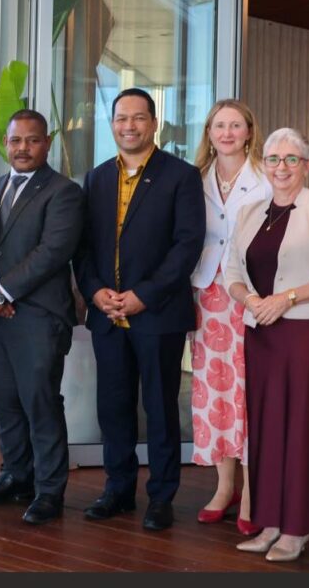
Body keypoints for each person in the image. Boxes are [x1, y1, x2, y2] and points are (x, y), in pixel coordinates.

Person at [225, 127, 309, 562]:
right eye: (273, 159)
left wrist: (287, 299)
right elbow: (232, 272)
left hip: (308, 335)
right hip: (261, 331)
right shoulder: (249, 212)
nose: (281, 167)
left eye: (291, 159)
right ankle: (268, 522)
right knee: (265, 428)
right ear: (263, 163)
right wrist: (252, 301)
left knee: (304, 428)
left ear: (307, 165)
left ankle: (296, 528)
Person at [74, 87, 205, 531]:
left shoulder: (180, 176)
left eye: (137, 118)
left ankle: (161, 497)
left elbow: (187, 246)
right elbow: (84, 247)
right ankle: (118, 490)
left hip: (158, 313)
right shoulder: (96, 178)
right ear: (111, 125)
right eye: (120, 118)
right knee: (113, 405)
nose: (128, 126)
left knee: (161, 408)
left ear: (153, 123)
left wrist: (143, 294)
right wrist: (94, 292)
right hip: (106, 314)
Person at [0, 109, 84, 526]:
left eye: (32, 140)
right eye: (15, 140)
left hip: (39, 315)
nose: (22, 148)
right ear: (6, 142)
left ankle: (49, 490)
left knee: (40, 403)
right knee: (4, 400)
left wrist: (2, 291)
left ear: (47, 143)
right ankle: (15, 475)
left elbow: (53, 252)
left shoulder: (64, 192)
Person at [189, 99, 271, 535]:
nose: (226, 132)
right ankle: (224, 487)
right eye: (219, 125)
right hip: (206, 295)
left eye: (235, 125)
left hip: (251, 296)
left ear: (248, 132)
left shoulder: (264, 178)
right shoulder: (195, 178)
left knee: (248, 392)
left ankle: (254, 492)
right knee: (214, 392)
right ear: (209, 132)